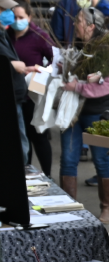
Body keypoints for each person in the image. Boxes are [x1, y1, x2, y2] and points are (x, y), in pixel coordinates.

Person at [58, 10, 109, 221]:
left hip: (98, 114)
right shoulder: (75, 47)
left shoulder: (106, 51)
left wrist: (78, 87)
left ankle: (107, 208)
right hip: (72, 113)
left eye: (80, 22)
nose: (76, 25)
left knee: (102, 161)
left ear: (92, 26)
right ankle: (69, 210)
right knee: (67, 159)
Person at [8, 1, 54, 175]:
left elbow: (54, 60)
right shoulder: (7, 35)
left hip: (33, 95)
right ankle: (26, 173)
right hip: (13, 94)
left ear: (29, 17)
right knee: (21, 137)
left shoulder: (39, 36)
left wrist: (41, 74)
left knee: (38, 137)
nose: (17, 20)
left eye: (21, 17)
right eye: (14, 17)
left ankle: (47, 174)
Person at [0, 0, 35, 166]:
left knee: (22, 146)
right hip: (8, 98)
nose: (9, 15)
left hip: (16, 96)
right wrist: (11, 65)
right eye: (4, 10)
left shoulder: (4, 33)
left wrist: (23, 68)